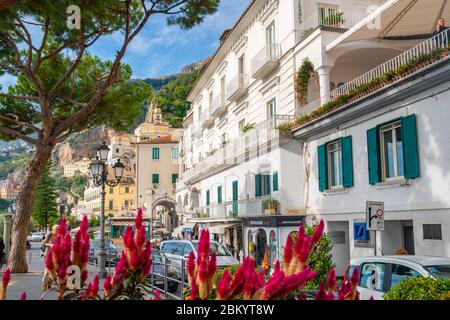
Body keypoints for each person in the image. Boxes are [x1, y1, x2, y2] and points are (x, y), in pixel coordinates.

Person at [42, 225, 58, 290]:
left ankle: (49, 284)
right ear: (53, 229)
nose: (57, 231)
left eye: (58, 229)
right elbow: (43, 243)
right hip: (48, 255)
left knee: (53, 271)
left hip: (56, 256)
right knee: (47, 271)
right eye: (56, 229)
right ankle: (44, 285)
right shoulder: (49, 235)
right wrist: (50, 245)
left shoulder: (60, 236)